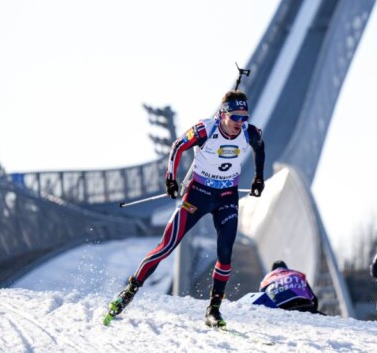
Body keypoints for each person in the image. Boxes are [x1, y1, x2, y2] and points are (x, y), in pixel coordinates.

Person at [104, 90, 266, 327]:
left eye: (244, 117)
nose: (239, 123)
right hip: (198, 195)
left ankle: (213, 310)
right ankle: (128, 292)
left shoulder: (249, 132)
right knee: (167, 246)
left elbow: (260, 148)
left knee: (225, 253)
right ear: (223, 115)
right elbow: (178, 146)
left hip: (226, 198)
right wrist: (170, 179)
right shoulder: (206, 129)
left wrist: (258, 178)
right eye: (235, 117)